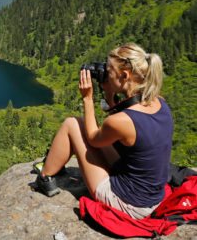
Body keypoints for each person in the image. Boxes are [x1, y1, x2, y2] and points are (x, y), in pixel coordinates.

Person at [35, 43, 174, 220]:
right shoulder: (159, 102)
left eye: (109, 71)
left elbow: (93, 138)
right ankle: (54, 166)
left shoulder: (121, 122)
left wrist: (87, 98)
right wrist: (110, 96)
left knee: (73, 124)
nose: (106, 75)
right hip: (153, 196)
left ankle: (45, 177)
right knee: (85, 127)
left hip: (130, 204)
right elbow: (125, 127)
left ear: (124, 75)